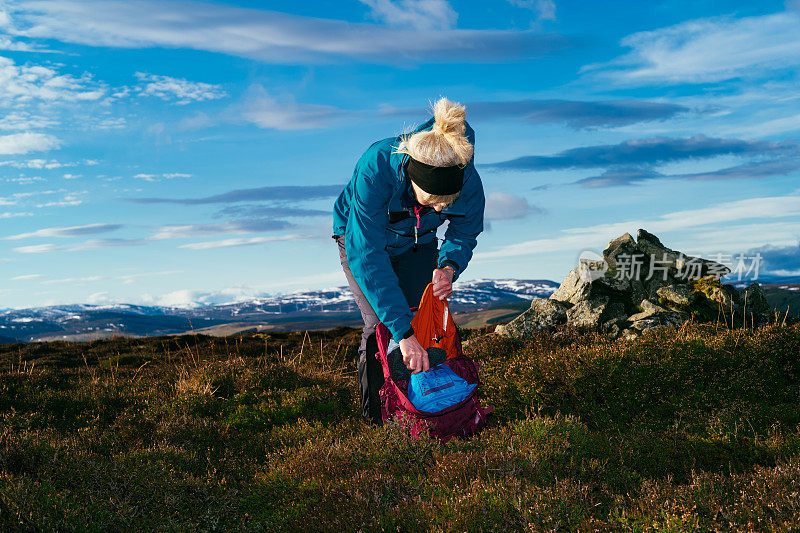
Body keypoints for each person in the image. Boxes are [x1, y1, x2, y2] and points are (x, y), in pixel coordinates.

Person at [332, 97, 485, 424]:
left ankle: (424, 412)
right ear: (411, 180)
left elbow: (465, 228)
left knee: (425, 323)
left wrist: (449, 266)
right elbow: (367, 257)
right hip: (361, 238)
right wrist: (401, 332)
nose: (442, 209)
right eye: (435, 201)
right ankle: (377, 422)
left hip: (419, 240)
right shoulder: (376, 169)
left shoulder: (464, 174)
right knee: (382, 327)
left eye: (449, 201)